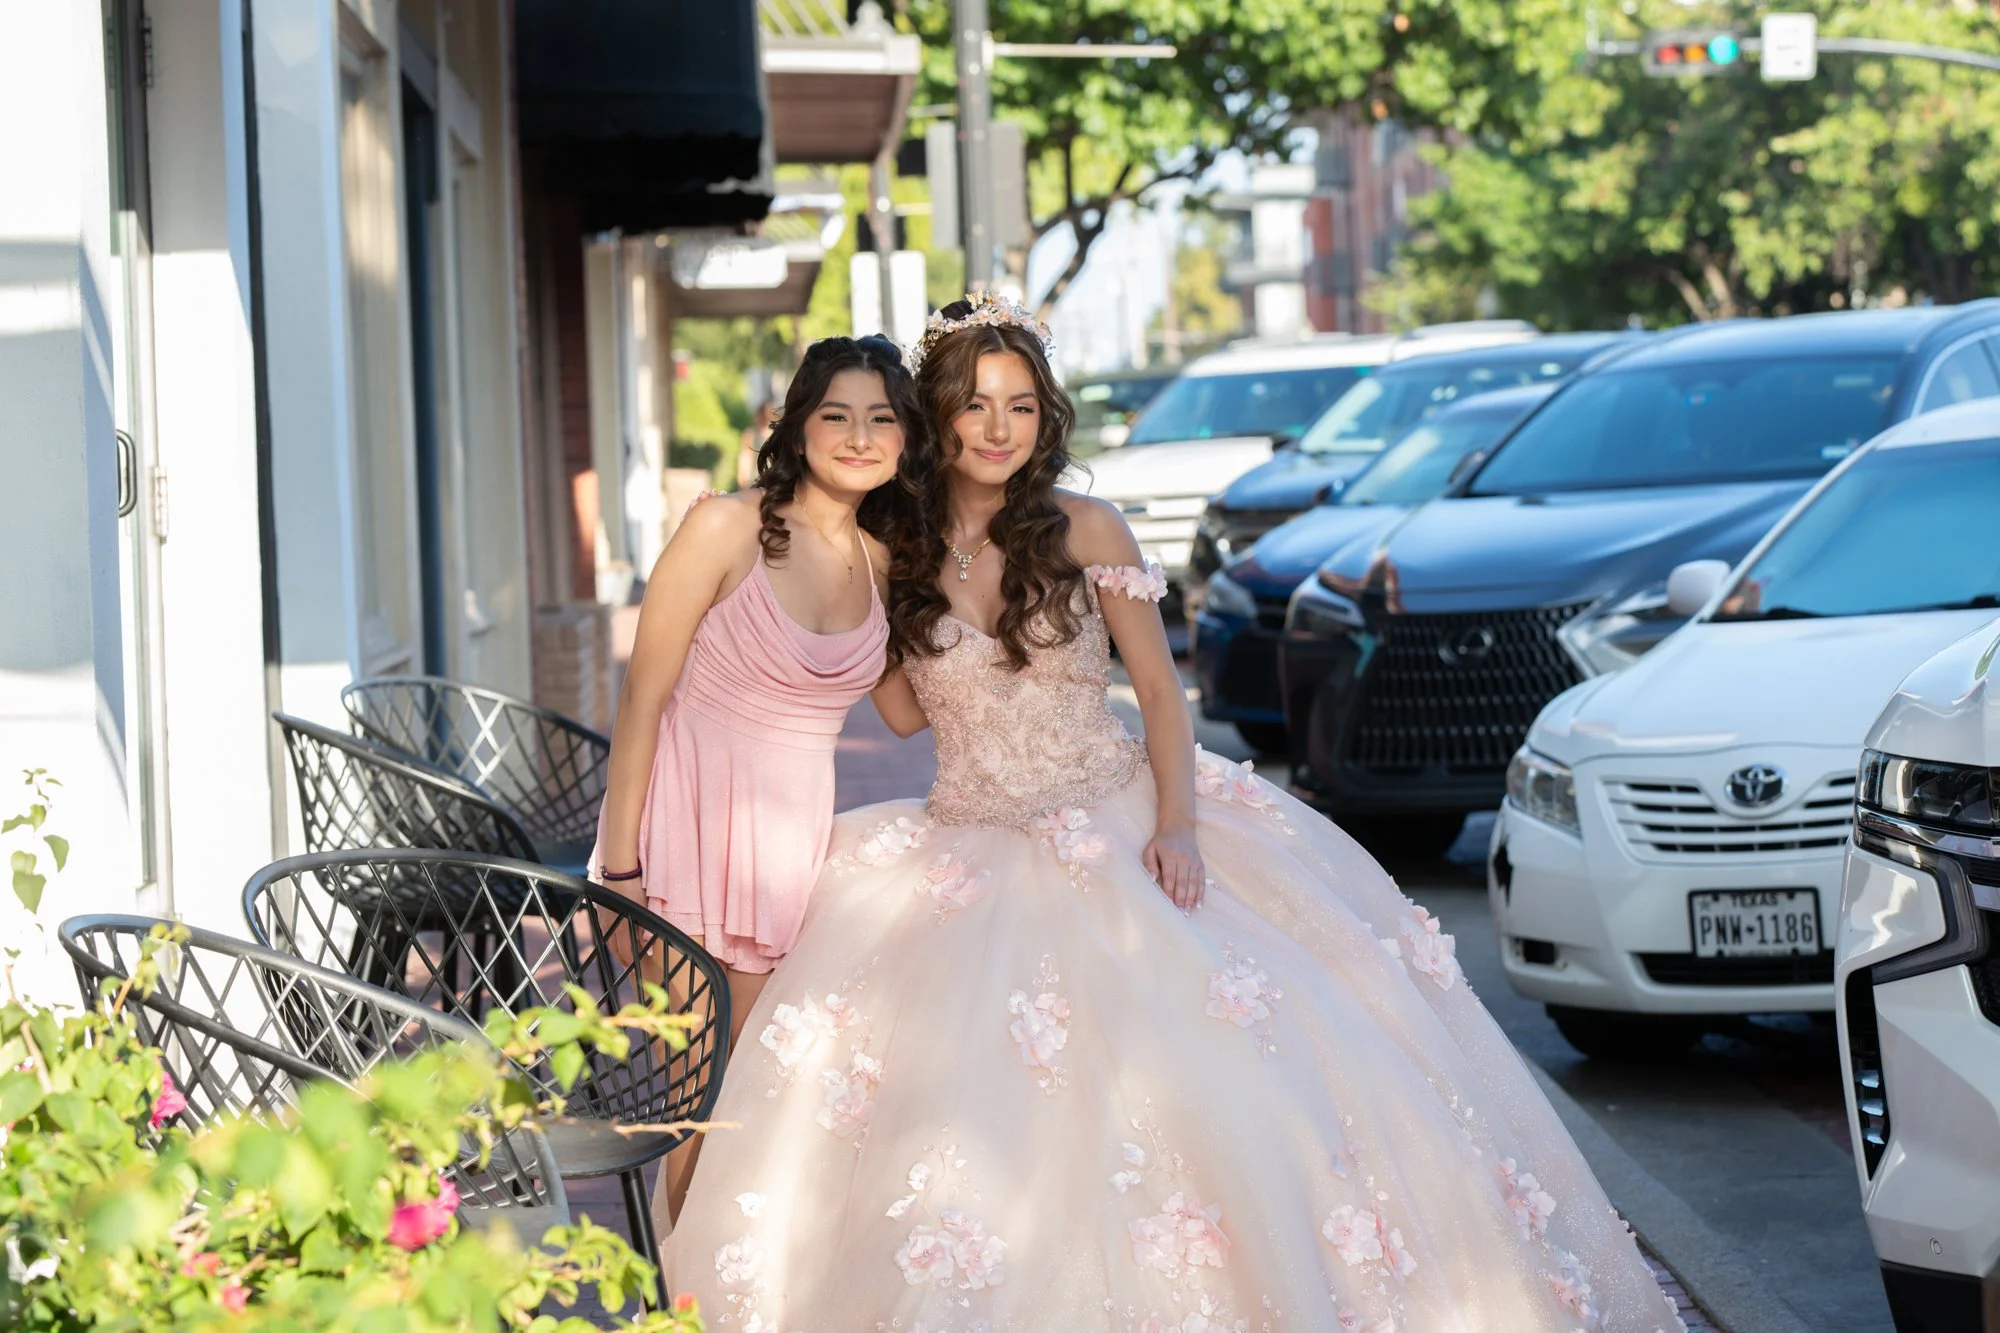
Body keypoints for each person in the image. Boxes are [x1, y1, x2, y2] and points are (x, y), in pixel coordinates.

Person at [664, 297, 1683, 1332]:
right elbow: (887, 701)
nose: (999, 426)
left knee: (1225, 1079)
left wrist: (1178, 826)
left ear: (1045, 415)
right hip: (967, 837)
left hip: (1115, 816)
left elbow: (1159, 691)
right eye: (973, 405)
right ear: (938, 415)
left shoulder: (1084, 526)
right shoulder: (902, 551)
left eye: (1020, 404)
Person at [592, 333, 924, 1220]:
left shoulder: (881, 565)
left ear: (905, 441)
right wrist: (618, 871)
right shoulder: (725, 526)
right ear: (798, 425)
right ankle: (683, 1294)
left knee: (758, 1094)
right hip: (687, 837)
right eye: (838, 415)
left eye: (882, 419)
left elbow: (909, 710)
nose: (859, 436)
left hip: (794, 851)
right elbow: (641, 701)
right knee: (700, 1096)